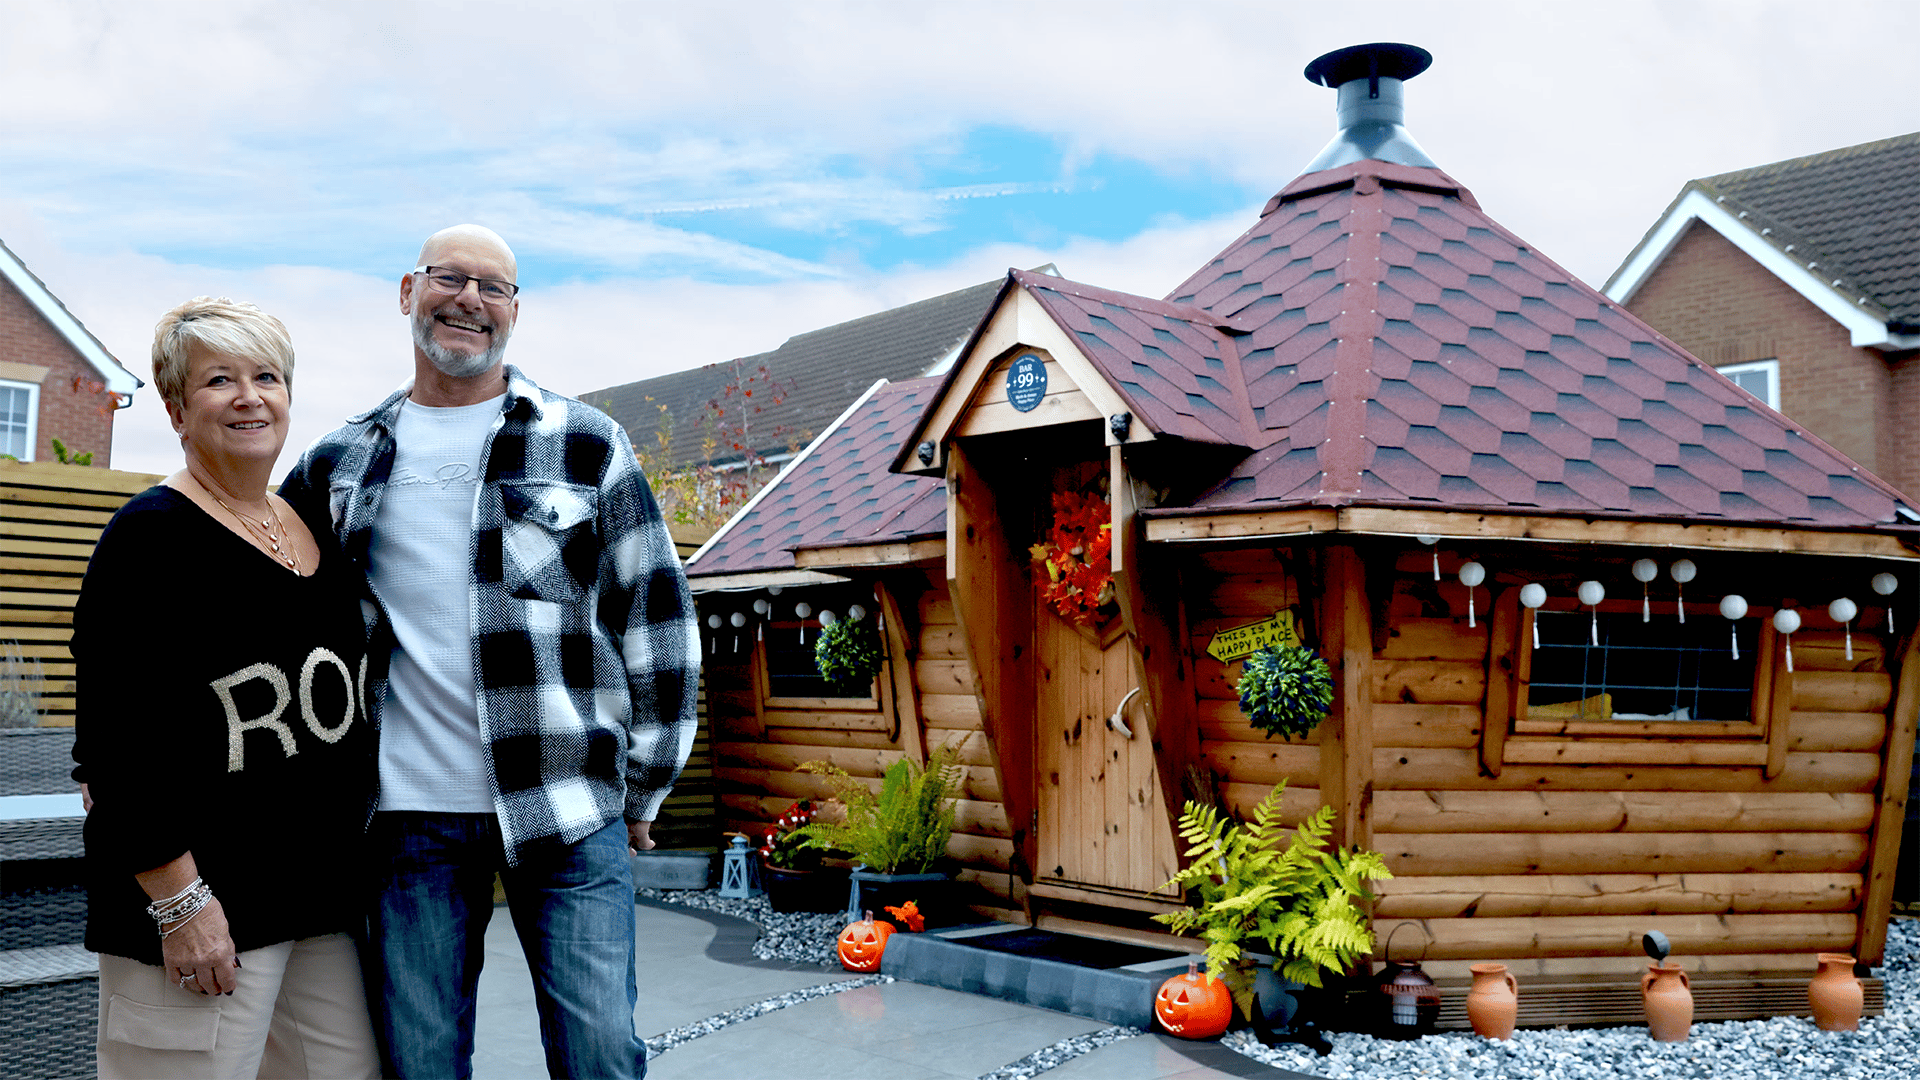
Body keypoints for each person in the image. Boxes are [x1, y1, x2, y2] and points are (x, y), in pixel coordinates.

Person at [278, 224, 701, 1080]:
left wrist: (648, 786)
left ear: (514, 311)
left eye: (494, 287)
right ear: (408, 291)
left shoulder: (586, 444)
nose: (470, 299)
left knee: (600, 1056)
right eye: (450, 278)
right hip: (404, 821)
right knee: (419, 1062)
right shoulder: (339, 460)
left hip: (569, 809)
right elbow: (271, 593)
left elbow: (655, 617)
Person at [71, 297, 380, 1079]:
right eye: (219, 380)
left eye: (266, 376)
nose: (249, 397)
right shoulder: (149, 539)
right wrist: (181, 905)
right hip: (204, 914)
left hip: (320, 909)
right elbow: (113, 749)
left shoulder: (313, 524)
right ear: (177, 409)